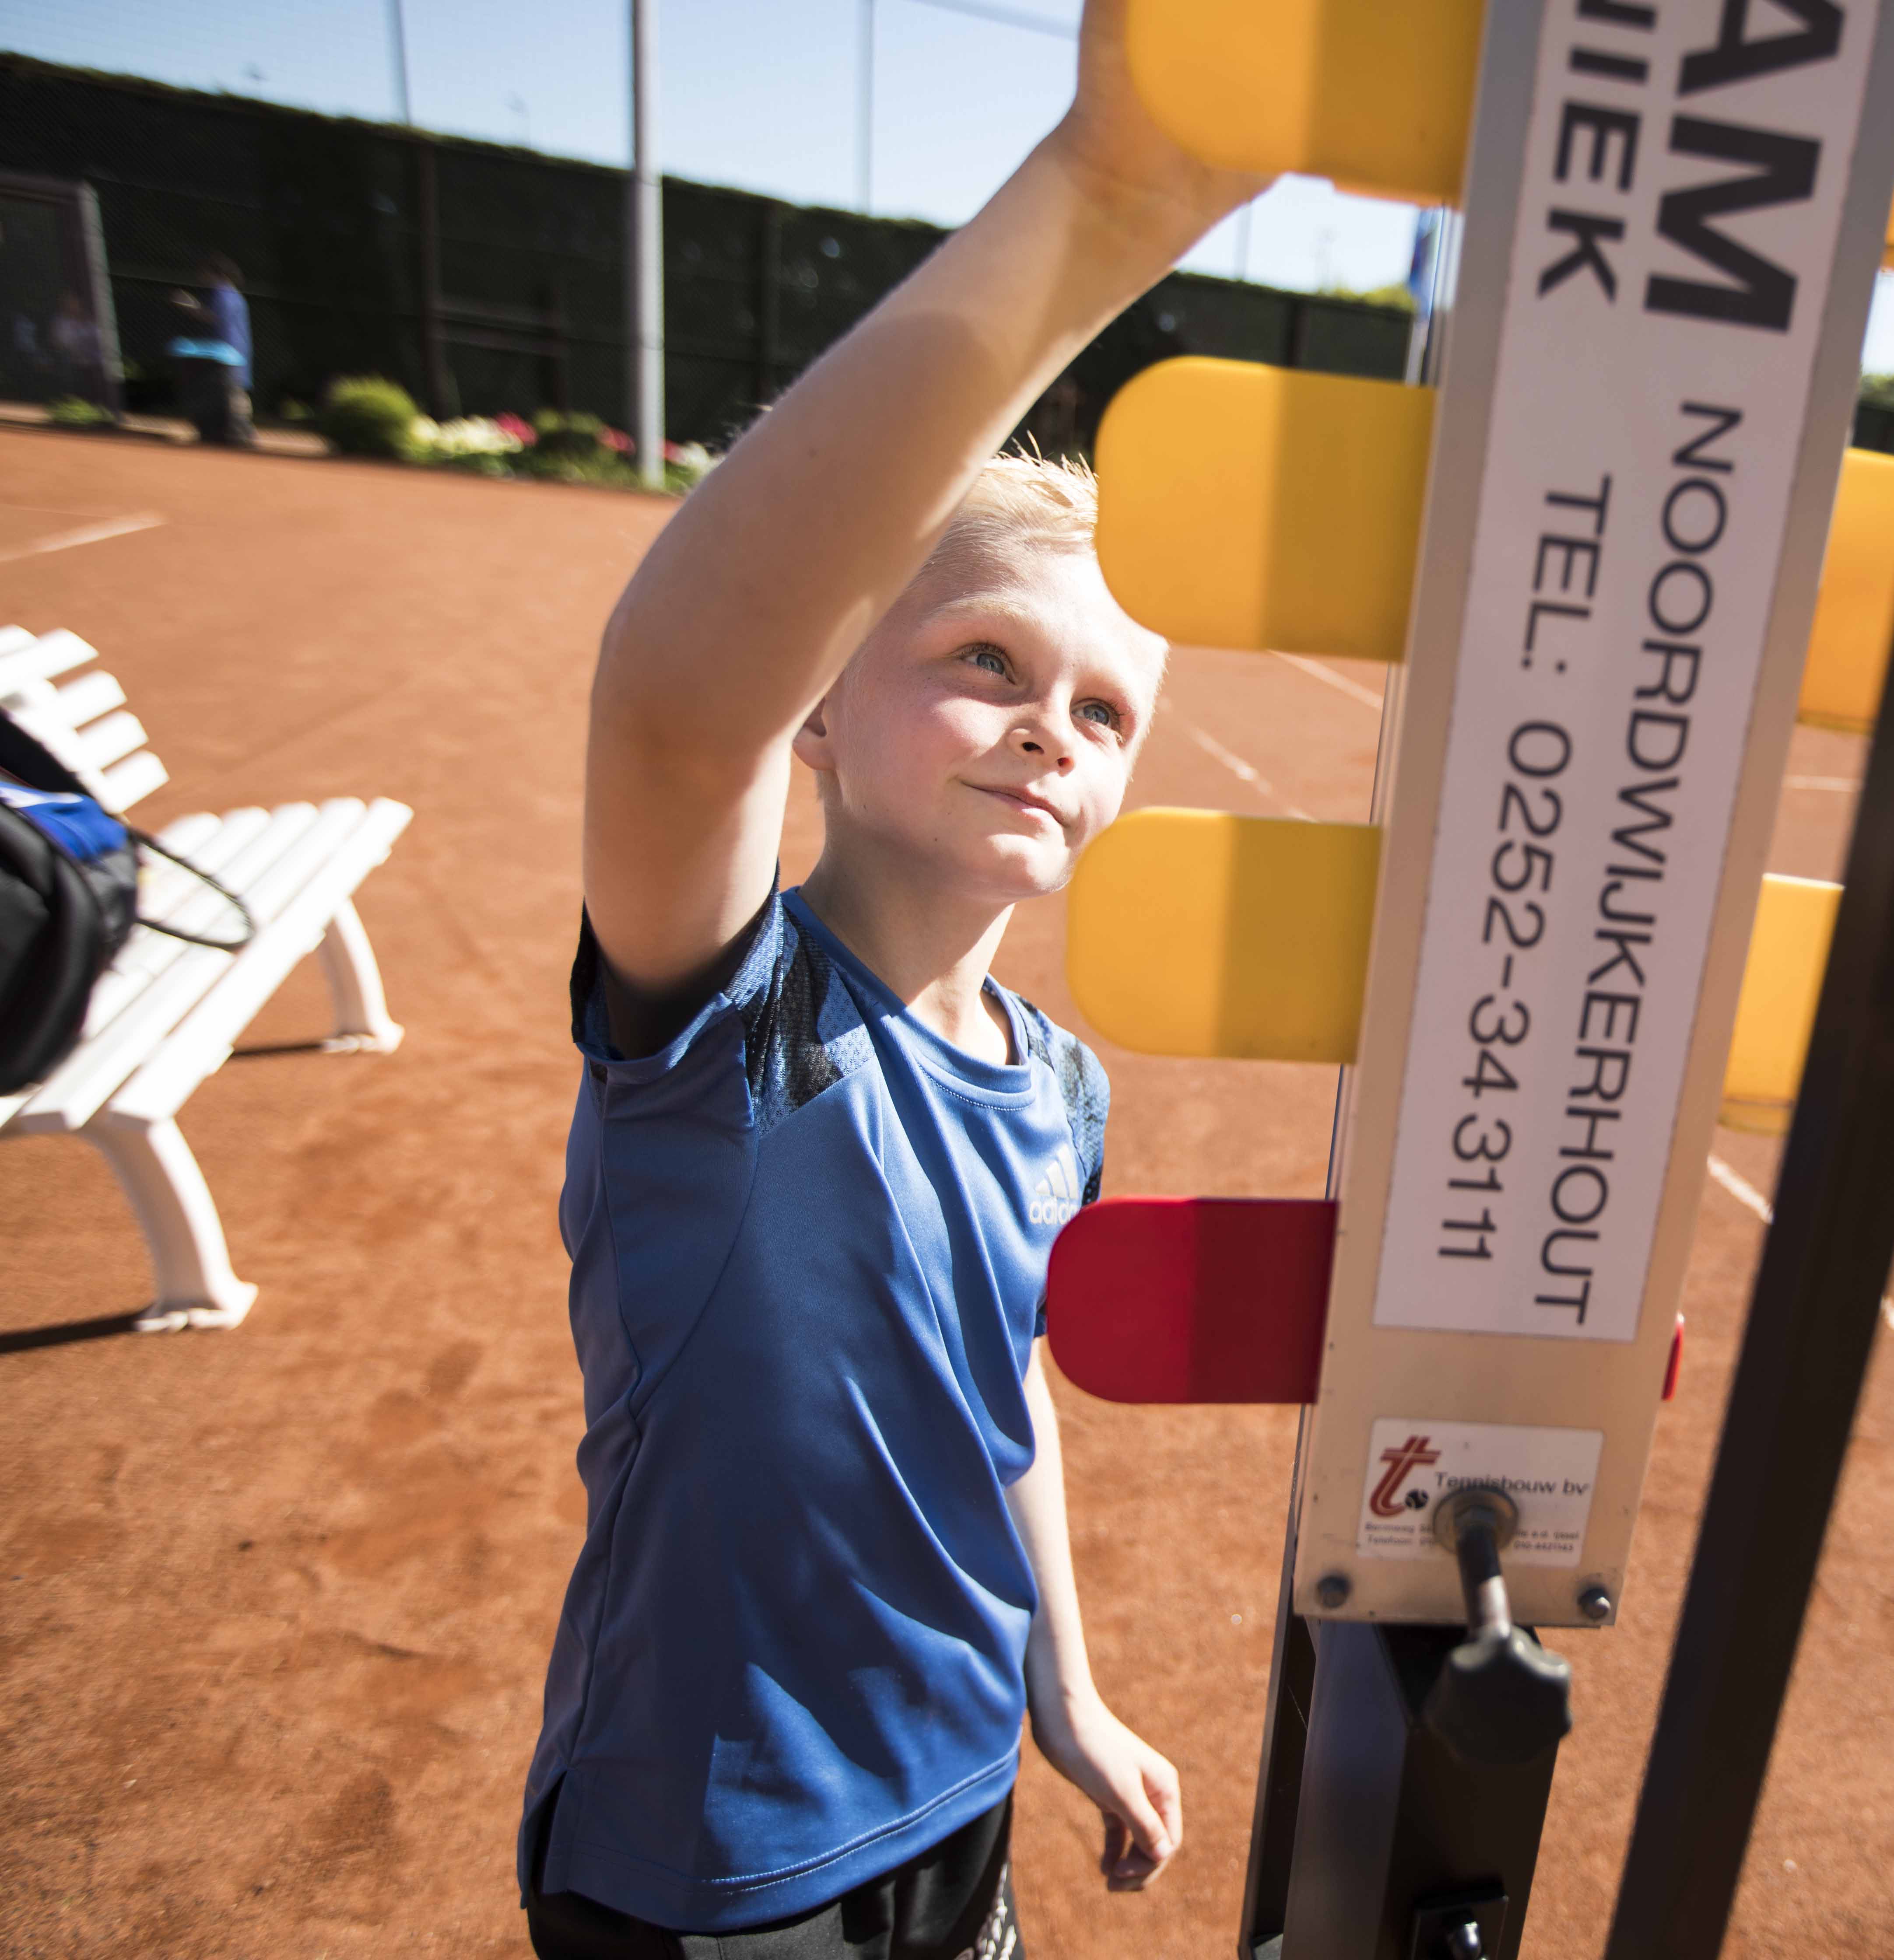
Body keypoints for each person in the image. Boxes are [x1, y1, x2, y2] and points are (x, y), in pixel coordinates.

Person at [517, 6, 1260, 1953]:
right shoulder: (738, 1020)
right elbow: (679, 719)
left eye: (1102, 710)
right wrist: (1111, 199)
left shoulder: (1060, 1084)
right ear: (822, 717)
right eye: (987, 663)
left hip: (954, 1805)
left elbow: (997, 1376)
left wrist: (1063, 1695)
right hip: (717, 1861)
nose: (1049, 732)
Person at [165, 254, 253, 446]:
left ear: (214, 273)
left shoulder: (223, 292)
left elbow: (213, 317)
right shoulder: (232, 294)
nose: (201, 277)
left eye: (204, 273)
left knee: (230, 398)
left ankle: (239, 436)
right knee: (234, 396)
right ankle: (239, 436)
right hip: (232, 355)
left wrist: (189, 304)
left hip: (226, 357)